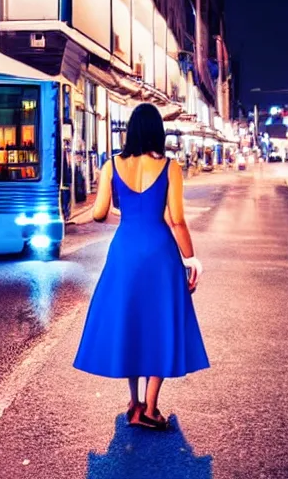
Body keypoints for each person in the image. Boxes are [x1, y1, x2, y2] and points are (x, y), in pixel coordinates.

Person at [73, 103, 209, 431]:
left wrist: (127, 216)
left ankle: (134, 402)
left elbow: (98, 214)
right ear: (157, 132)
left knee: (130, 322)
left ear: (131, 130)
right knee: (160, 322)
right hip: (160, 254)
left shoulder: (111, 165)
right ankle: (150, 407)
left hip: (125, 252)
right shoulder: (170, 167)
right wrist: (191, 259)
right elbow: (176, 220)